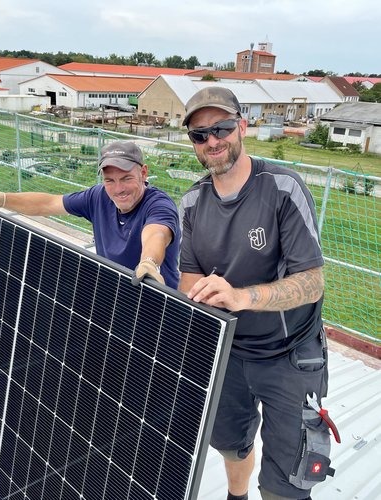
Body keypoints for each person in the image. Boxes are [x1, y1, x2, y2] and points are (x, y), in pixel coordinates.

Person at [179, 87, 335, 500]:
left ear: (241, 126)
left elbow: (312, 281)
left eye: (222, 128)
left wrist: (242, 297)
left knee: (288, 477)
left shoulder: (282, 189)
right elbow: (188, 277)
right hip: (227, 352)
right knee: (232, 445)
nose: (212, 141)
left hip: (288, 355)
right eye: (200, 134)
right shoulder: (192, 201)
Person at [0, 140, 180, 289]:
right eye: (109, 180)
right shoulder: (98, 197)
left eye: (126, 179)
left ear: (143, 173)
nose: (118, 189)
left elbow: (156, 234)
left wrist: (149, 262)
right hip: (115, 295)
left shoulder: (158, 205)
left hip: (156, 304)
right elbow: (49, 203)